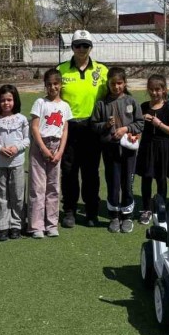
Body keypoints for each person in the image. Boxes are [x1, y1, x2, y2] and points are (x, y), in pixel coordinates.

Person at [57, 30, 109, 228]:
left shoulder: (102, 70)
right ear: (72, 47)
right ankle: (69, 210)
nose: (81, 49)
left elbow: (111, 97)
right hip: (68, 127)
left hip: (92, 128)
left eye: (85, 45)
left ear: (91, 47)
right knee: (69, 171)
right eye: (77, 45)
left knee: (91, 172)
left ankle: (91, 211)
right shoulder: (61, 69)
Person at [91, 67, 144, 232]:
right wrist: (106, 125)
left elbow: (140, 123)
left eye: (120, 83)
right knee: (113, 183)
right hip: (110, 150)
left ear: (125, 83)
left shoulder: (131, 101)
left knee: (127, 183)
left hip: (129, 151)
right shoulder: (101, 103)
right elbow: (94, 125)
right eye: (113, 84)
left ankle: (127, 215)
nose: (116, 87)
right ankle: (114, 215)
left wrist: (126, 129)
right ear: (108, 84)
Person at [28, 69, 71, 238]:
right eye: (49, 84)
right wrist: (43, 149)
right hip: (41, 146)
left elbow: (65, 131)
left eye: (56, 84)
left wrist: (60, 151)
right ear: (45, 86)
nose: (53, 87)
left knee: (53, 187)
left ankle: (51, 224)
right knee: (38, 187)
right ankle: (36, 226)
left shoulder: (65, 106)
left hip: (57, 146)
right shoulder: (40, 103)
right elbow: (34, 127)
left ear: (61, 85)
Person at [0, 85, 30, 241]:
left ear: (15, 100)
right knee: (0, 196)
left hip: (17, 163)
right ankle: (1, 226)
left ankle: (16, 225)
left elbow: (26, 140)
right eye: (3, 100)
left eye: (9, 99)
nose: (6, 103)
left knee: (17, 195)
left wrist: (15, 147)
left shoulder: (22, 119)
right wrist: (0, 148)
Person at [136, 74, 169, 226]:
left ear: (164, 90)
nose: (154, 93)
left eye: (157, 89)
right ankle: (146, 209)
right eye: (151, 90)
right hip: (147, 146)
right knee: (146, 178)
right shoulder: (144, 106)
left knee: (161, 178)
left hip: (163, 147)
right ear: (148, 90)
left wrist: (158, 123)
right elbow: (137, 127)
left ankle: (161, 208)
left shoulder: (168, 108)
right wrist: (141, 119)